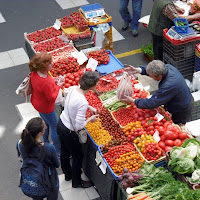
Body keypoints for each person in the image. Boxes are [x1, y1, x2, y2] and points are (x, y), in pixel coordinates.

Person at [57, 71, 99, 188]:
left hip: (61, 123)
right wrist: (91, 118)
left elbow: (70, 103)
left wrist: (89, 107)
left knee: (64, 150)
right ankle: (77, 182)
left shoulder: (74, 88)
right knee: (78, 155)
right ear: (92, 87)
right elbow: (79, 126)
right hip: (69, 131)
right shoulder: (83, 102)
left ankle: (68, 174)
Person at [121, 60, 194, 125]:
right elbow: (152, 70)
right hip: (178, 97)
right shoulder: (167, 67)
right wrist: (138, 70)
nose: (150, 77)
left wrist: (133, 101)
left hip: (181, 108)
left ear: (159, 77)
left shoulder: (168, 85)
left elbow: (152, 103)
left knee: (178, 125)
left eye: (151, 76)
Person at [17, 117, 60, 200]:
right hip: (50, 180)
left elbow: (23, 158)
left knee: (37, 195)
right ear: (40, 133)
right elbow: (57, 164)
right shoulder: (49, 148)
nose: (46, 127)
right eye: (44, 127)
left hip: (34, 178)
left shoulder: (21, 144)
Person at [29, 53, 60, 157]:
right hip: (46, 107)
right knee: (55, 126)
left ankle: (45, 141)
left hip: (37, 102)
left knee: (45, 124)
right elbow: (51, 98)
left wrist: (53, 82)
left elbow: (41, 88)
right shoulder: (45, 81)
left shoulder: (34, 73)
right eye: (50, 63)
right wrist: (58, 86)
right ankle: (57, 150)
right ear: (43, 66)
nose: (52, 64)